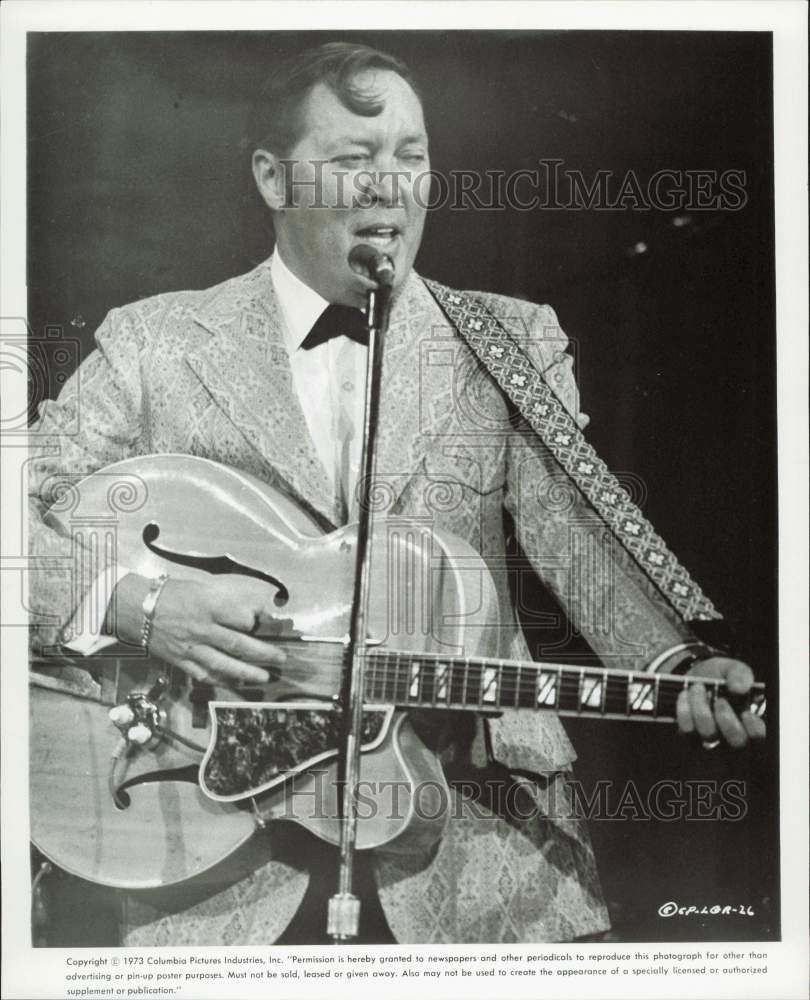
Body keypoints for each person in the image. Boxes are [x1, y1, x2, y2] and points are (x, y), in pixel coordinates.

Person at [28, 41, 765, 945]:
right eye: (352, 160)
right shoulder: (153, 343)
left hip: (483, 857)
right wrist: (141, 605)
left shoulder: (508, 340)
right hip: (209, 874)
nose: (389, 185)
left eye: (410, 157)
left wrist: (676, 662)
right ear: (273, 177)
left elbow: (580, 536)